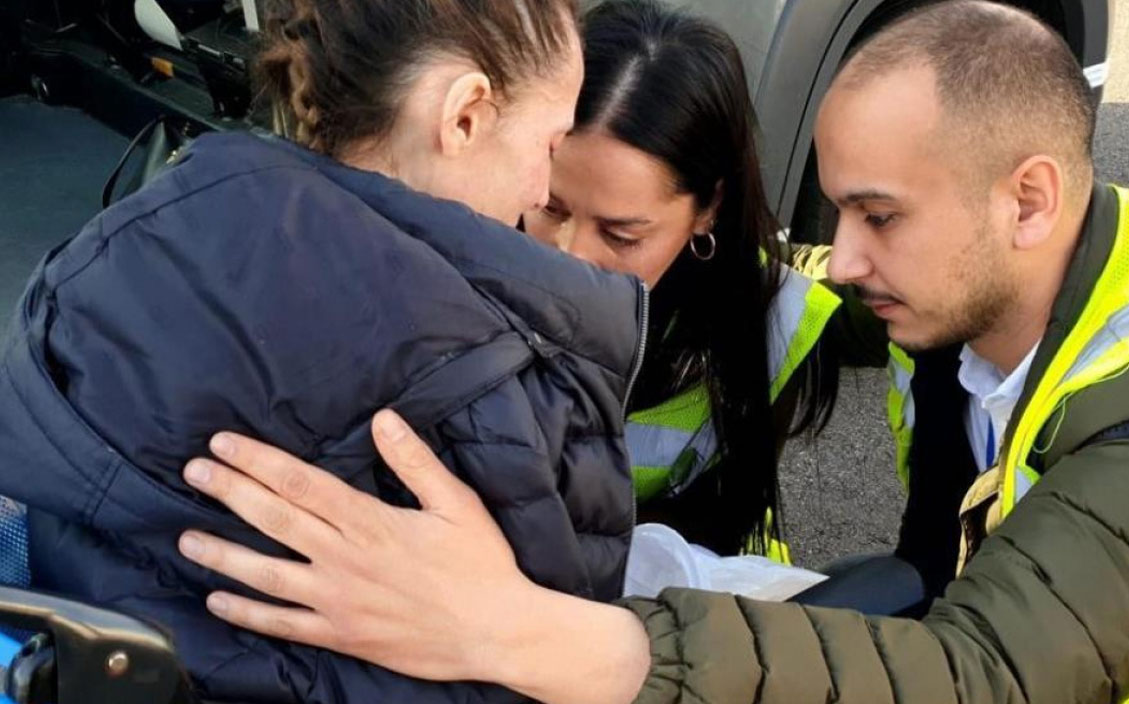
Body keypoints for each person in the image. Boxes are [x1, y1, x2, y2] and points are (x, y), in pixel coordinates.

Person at [171, 1, 1129, 702]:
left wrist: (542, 633)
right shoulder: (963, 297)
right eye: (543, 206)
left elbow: (982, 671)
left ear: (1026, 200)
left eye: (877, 216)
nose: (837, 260)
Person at [0, 0, 649, 702]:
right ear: (465, 116)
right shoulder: (515, 381)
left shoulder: (117, 246)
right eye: (549, 146)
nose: (540, 193)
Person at [521, 0, 839, 558]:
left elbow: (718, 535)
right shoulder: (460, 256)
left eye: (621, 235)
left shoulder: (770, 329)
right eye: (550, 208)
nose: (570, 257)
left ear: (708, 208)